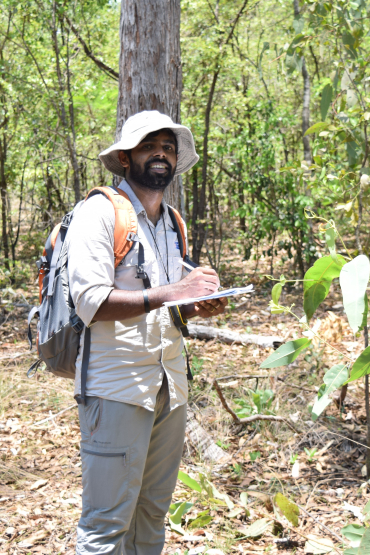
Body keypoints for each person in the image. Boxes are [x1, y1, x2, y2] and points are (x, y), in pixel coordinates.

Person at [66, 110, 227, 555]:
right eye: (149, 146)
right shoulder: (97, 214)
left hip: (168, 385)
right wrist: (174, 290)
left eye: (168, 147)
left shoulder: (172, 222)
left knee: (152, 515)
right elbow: (91, 302)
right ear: (124, 158)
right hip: (117, 388)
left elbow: (167, 307)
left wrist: (196, 304)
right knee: (105, 526)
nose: (160, 154)